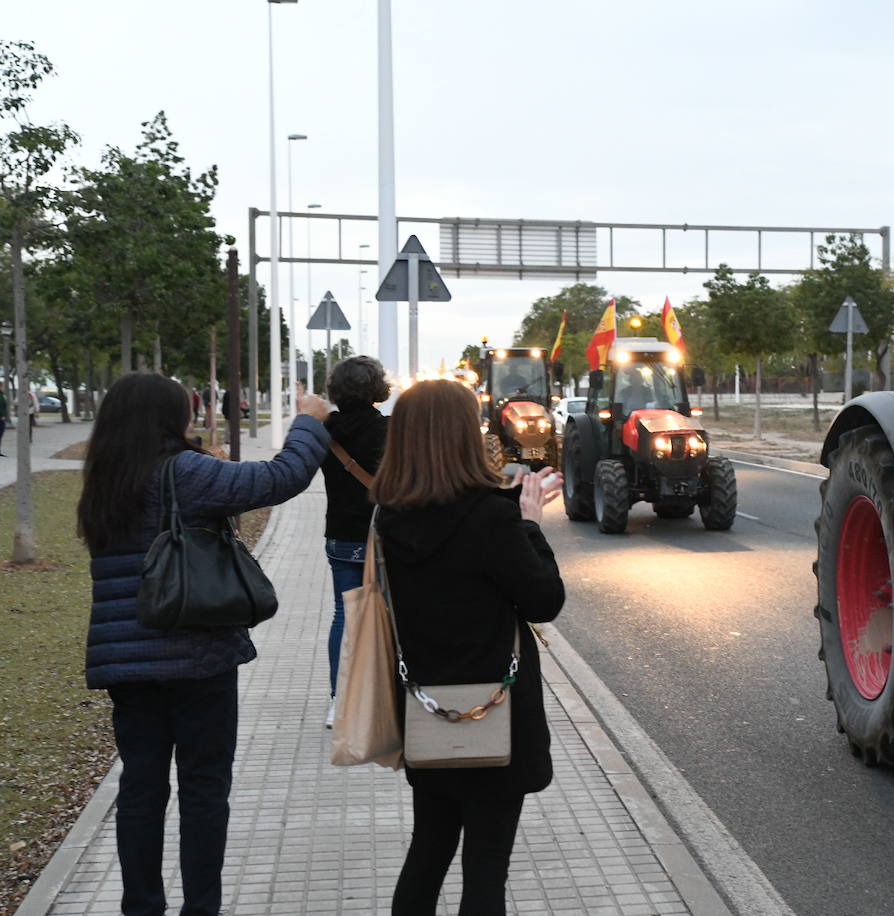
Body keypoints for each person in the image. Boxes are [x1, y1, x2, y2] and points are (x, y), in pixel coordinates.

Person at [77, 372, 331, 916]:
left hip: (126, 663)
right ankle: (201, 908)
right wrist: (307, 422)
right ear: (169, 419)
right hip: (197, 658)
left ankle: (141, 906)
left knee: (141, 789)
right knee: (203, 790)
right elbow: (279, 478)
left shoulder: (104, 478)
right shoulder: (183, 471)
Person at [372, 379, 564, 915]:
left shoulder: (389, 516)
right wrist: (530, 525)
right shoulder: (489, 516)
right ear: (462, 436)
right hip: (495, 709)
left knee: (428, 849)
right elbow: (543, 601)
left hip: (426, 705)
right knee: (486, 866)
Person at [320, 356, 390, 727]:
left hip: (341, 536)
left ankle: (340, 701)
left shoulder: (325, 431)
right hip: (384, 537)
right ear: (377, 388)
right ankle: (388, 697)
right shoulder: (388, 430)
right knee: (388, 616)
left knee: (343, 616)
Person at [0, 388, 7, 457]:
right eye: (2, 387)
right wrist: (1, 415)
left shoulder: (2, 395)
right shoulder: (1, 395)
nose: (3, 388)